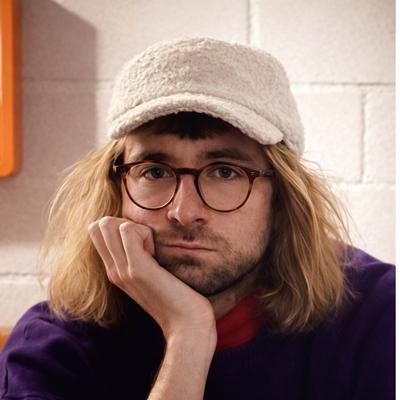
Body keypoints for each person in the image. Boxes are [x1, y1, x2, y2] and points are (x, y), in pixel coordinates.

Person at [0, 38, 394, 400]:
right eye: (155, 171)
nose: (184, 212)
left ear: (282, 196)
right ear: (115, 188)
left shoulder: (379, 316)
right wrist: (188, 334)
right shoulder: (52, 349)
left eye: (225, 172)